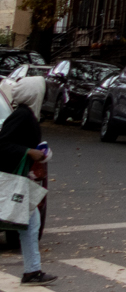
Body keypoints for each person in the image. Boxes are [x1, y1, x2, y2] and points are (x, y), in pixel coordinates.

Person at [1, 75, 54, 285]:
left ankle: (32, 271)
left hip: (18, 180)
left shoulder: (26, 115)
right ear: (34, 94)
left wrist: (39, 152)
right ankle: (32, 271)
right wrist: (29, 152)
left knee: (31, 224)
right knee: (30, 224)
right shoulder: (22, 115)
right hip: (10, 181)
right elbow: (2, 145)